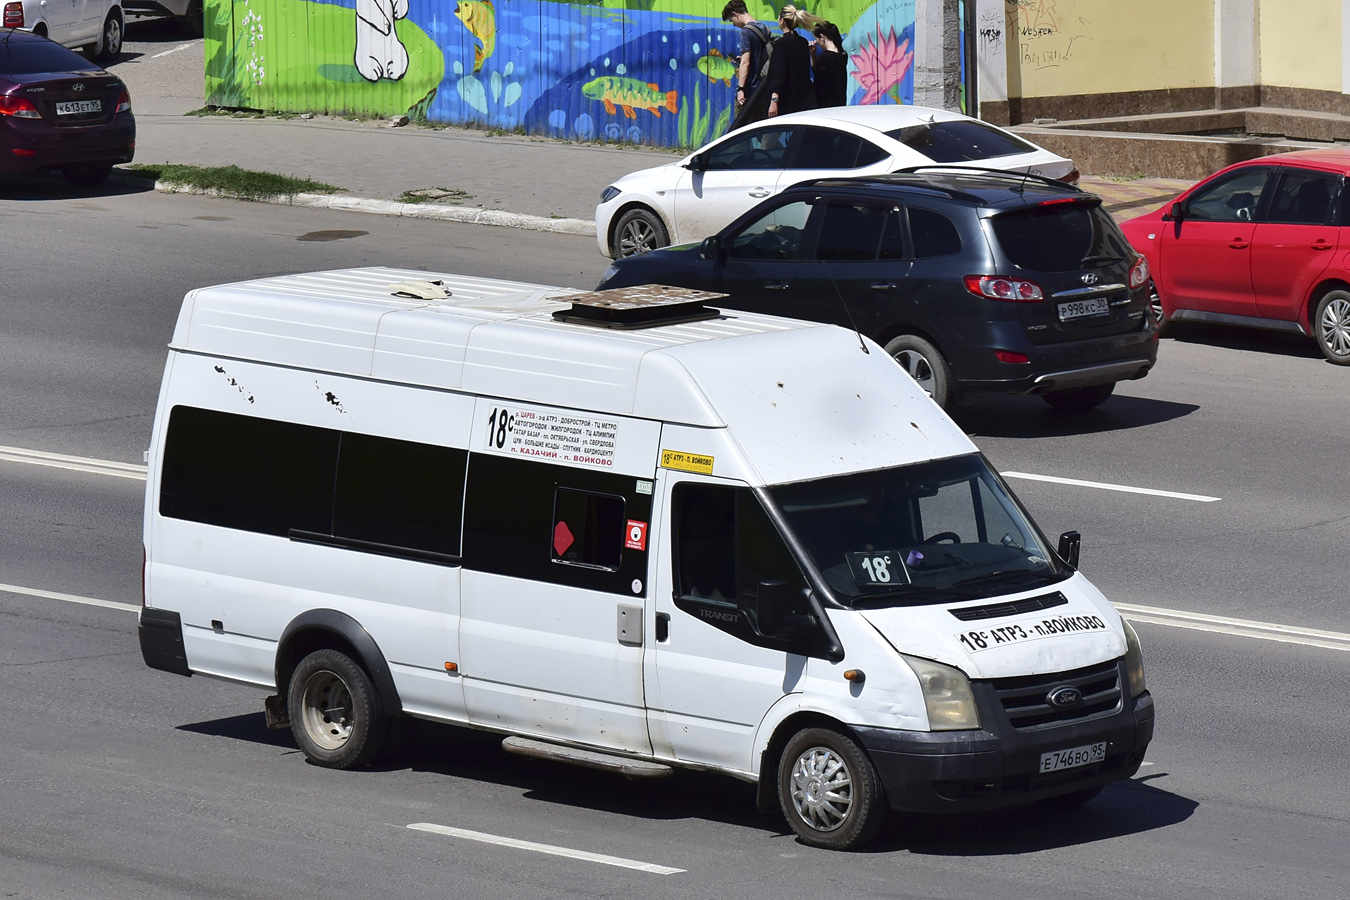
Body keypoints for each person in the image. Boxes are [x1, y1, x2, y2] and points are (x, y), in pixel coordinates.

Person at [722, 0, 774, 128]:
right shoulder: (763, 27)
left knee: (739, 131)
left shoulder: (746, 31)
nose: (733, 25)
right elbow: (759, 56)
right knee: (761, 131)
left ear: (736, 14)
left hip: (750, 90)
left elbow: (745, 63)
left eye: (731, 20)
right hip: (763, 88)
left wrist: (740, 89)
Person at [765, 4, 818, 118]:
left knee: (771, 134)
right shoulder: (803, 42)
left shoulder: (781, 45)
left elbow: (779, 74)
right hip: (804, 99)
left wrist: (774, 100)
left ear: (782, 20)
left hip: (787, 101)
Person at [811, 20, 848, 108]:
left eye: (816, 39)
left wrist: (813, 56)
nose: (817, 43)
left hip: (826, 105)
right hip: (840, 102)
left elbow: (818, 83)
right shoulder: (843, 54)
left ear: (822, 37)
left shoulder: (825, 58)